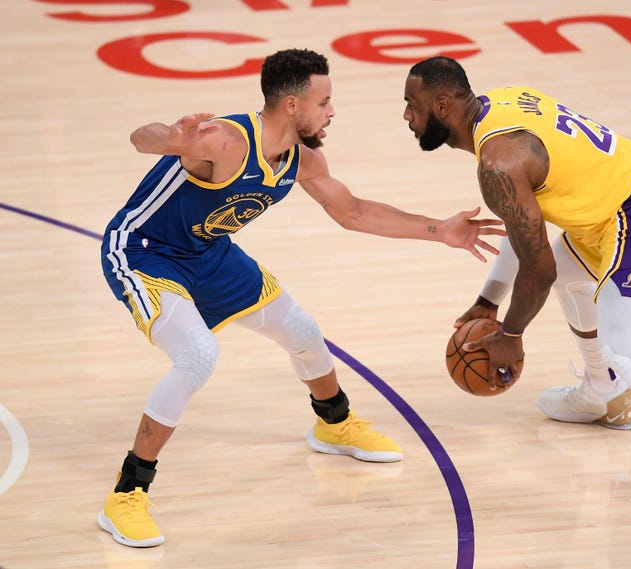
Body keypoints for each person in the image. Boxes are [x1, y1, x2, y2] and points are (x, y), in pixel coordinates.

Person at [98, 48, 504, 549]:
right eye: (325, 101)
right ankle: (127, 493)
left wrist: (437, 229)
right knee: (198, 355)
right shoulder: (222, 139)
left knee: (303, 330)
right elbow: (142, 138)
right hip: (144, 253)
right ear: (292, 106)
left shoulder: (303, 159)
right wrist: (171, 136)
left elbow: (353, 212)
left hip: (208, 252)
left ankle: (334, 424)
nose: (331, 112)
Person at [402, 56, 631, 544]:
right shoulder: (503, 106)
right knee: (572, 279)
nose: (407, 117)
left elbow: (537, 266)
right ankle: (606, 396)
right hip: (600, 216)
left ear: (442, 105)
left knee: (626, 346)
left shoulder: (498, 161)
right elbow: (524, 223)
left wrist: (510, 336)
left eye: (412, 105)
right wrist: (489, 302)